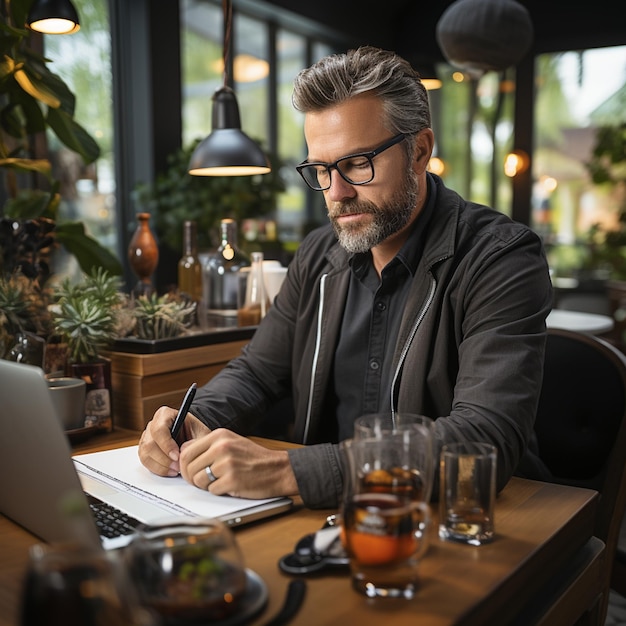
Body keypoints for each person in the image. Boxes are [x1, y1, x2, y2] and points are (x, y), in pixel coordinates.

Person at [138, 46, 553, 509]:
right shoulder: (318, 254)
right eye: (320, 169)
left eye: (357, 164)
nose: (337, 192)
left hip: (466, 519)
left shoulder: (501, 258)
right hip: (332, 517)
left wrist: (288, 471)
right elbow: (257, 372)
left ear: (419, 151)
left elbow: (483, 440)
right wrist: (193, 418)